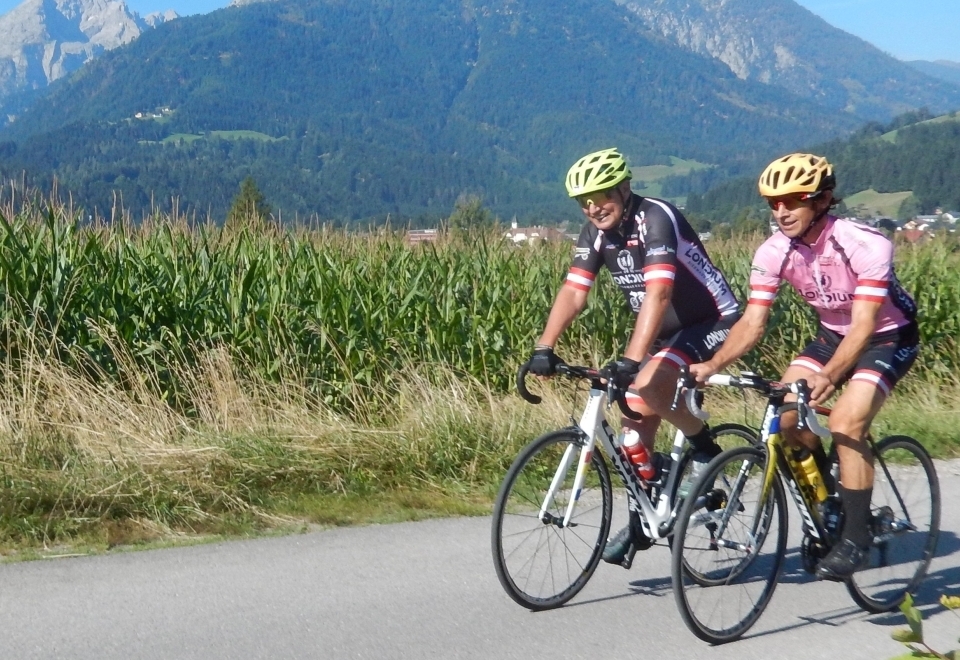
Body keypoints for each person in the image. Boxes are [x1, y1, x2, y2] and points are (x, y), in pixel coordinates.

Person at [689, 153, 919, 580]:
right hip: (832, 335)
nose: (781, 212)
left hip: (886, 336)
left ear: (823, 200)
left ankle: (855, 538)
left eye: (792, 200)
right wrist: (711, 363)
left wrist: (829, 375)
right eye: (773, 203)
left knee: (848, 423)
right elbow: (753, 322)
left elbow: (866, 324)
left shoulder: (864, 243)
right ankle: (828, 508)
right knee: (785, 417)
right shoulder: (774, 250)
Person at [526, 147, 741, 568]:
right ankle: (644, 519)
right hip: (664, 330)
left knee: (645, 385)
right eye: (583, 201)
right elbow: (573, 292)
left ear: (624, 188)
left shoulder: (656, 218)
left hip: (712, 319)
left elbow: (659, 293)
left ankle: (705, 447)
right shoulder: (595, 233)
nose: (592, 207)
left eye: (601, 195)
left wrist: (632, 360)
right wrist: (544, 346)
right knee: (632, 435)